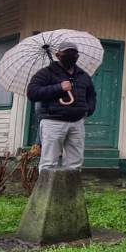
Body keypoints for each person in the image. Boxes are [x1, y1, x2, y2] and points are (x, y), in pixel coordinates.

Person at [27, 41, 96, 173]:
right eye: (67, 53)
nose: (71, 55)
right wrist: (59, 87)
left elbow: (91, 94)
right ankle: (46, 193)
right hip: (53, 122)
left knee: (75, 163)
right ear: (58, 55)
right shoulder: (45, 73)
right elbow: (32, 93)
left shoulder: (83, 75)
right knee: (49, 162)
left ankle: (71, 192)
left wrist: (88, 110)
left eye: (74, 53)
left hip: (77, 123)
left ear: (78, 56)